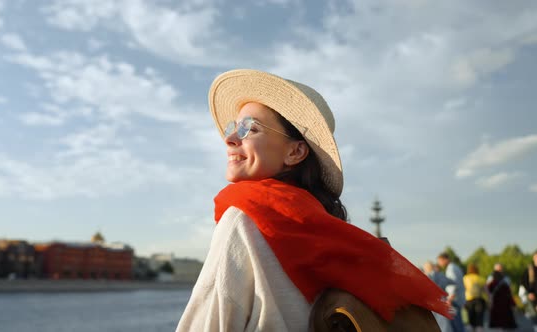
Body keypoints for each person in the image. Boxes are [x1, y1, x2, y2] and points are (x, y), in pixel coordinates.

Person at [176, 69, 451, 331]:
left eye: (250, 128)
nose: (231, 139)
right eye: (233, 127)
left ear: (295, 152)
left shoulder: (244, 219)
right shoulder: (329, 230)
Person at [437, 252, 466, 332]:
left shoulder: (451, 269)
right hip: (457, 299)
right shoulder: (455, 267)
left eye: (440, 261)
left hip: (454, 301)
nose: (439, 263)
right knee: (457, 323)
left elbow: (453, 284)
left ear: (445, 259)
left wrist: (449, 300)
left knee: (456, 324)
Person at [463, 263, 487, 332]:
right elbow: (486, 291)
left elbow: (463, 289)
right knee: (479, 322)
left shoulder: (465, 278)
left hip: (468, 300)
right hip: (480, 301)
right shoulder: (481, 278)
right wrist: (490, 300)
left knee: (470, 322)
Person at [520, 251, 537, 329]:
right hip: (533, 294)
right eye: (536, 257)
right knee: (534, 314)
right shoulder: (530, 269)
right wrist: (530, 292)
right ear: (533, 258)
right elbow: (523, 281)